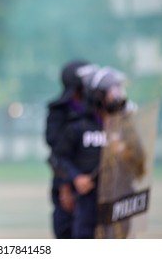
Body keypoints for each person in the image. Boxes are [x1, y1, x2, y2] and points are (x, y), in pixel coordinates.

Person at [53, 65, 135, 238]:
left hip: (119, 200)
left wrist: (125, 151)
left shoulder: (125, 127)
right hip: (88, 201)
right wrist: (75, 177)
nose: (117, 95)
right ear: (98, 95)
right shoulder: (78, 127)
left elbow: (140, 160)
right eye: (112, 91)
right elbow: (59, 158)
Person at [45, 60, 96, 238]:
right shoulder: (60, 111)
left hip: (94, 181)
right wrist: (65, 186)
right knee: (67, 230)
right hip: (67, 178)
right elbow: (56, 150)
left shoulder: (96, 109)